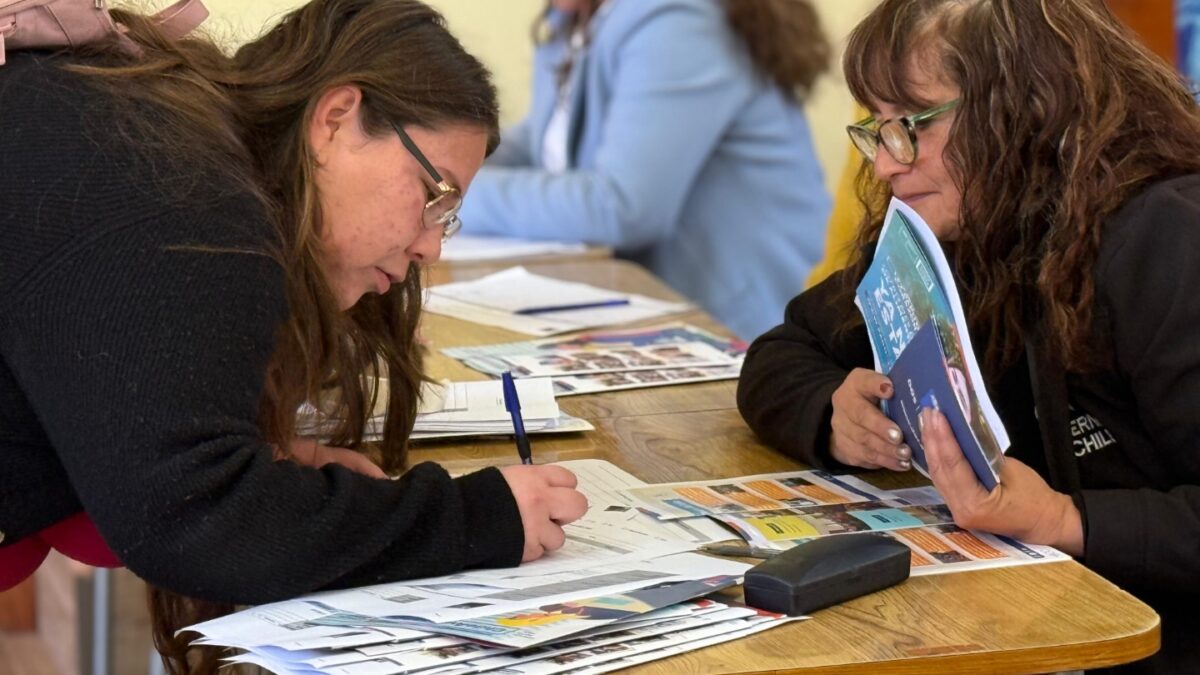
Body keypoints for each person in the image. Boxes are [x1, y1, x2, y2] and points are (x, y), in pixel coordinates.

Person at [0, 0, 588, 671]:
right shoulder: (189, 204)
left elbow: (142, 470)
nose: (430, 247)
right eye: (436, 196)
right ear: (335, 119)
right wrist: (478, 517)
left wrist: (260, 467)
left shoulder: (158, 150)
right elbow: (195, 520)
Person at [736, 0, 1200, 672]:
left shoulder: (1168, 239)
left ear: (1028, 106)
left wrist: (1060, 519)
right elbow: (782, 351)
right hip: (1034, 621)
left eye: (912, 125)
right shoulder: (966, 224)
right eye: (877, 129)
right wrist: (833, 414)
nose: (886, 164)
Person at [455, 0, 832, 341]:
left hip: (744, 332)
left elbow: (623, 207)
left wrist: (451, 191)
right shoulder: (579, 16)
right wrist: (450, 161)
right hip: (656, 314)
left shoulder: (677, 21)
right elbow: (546, 139)